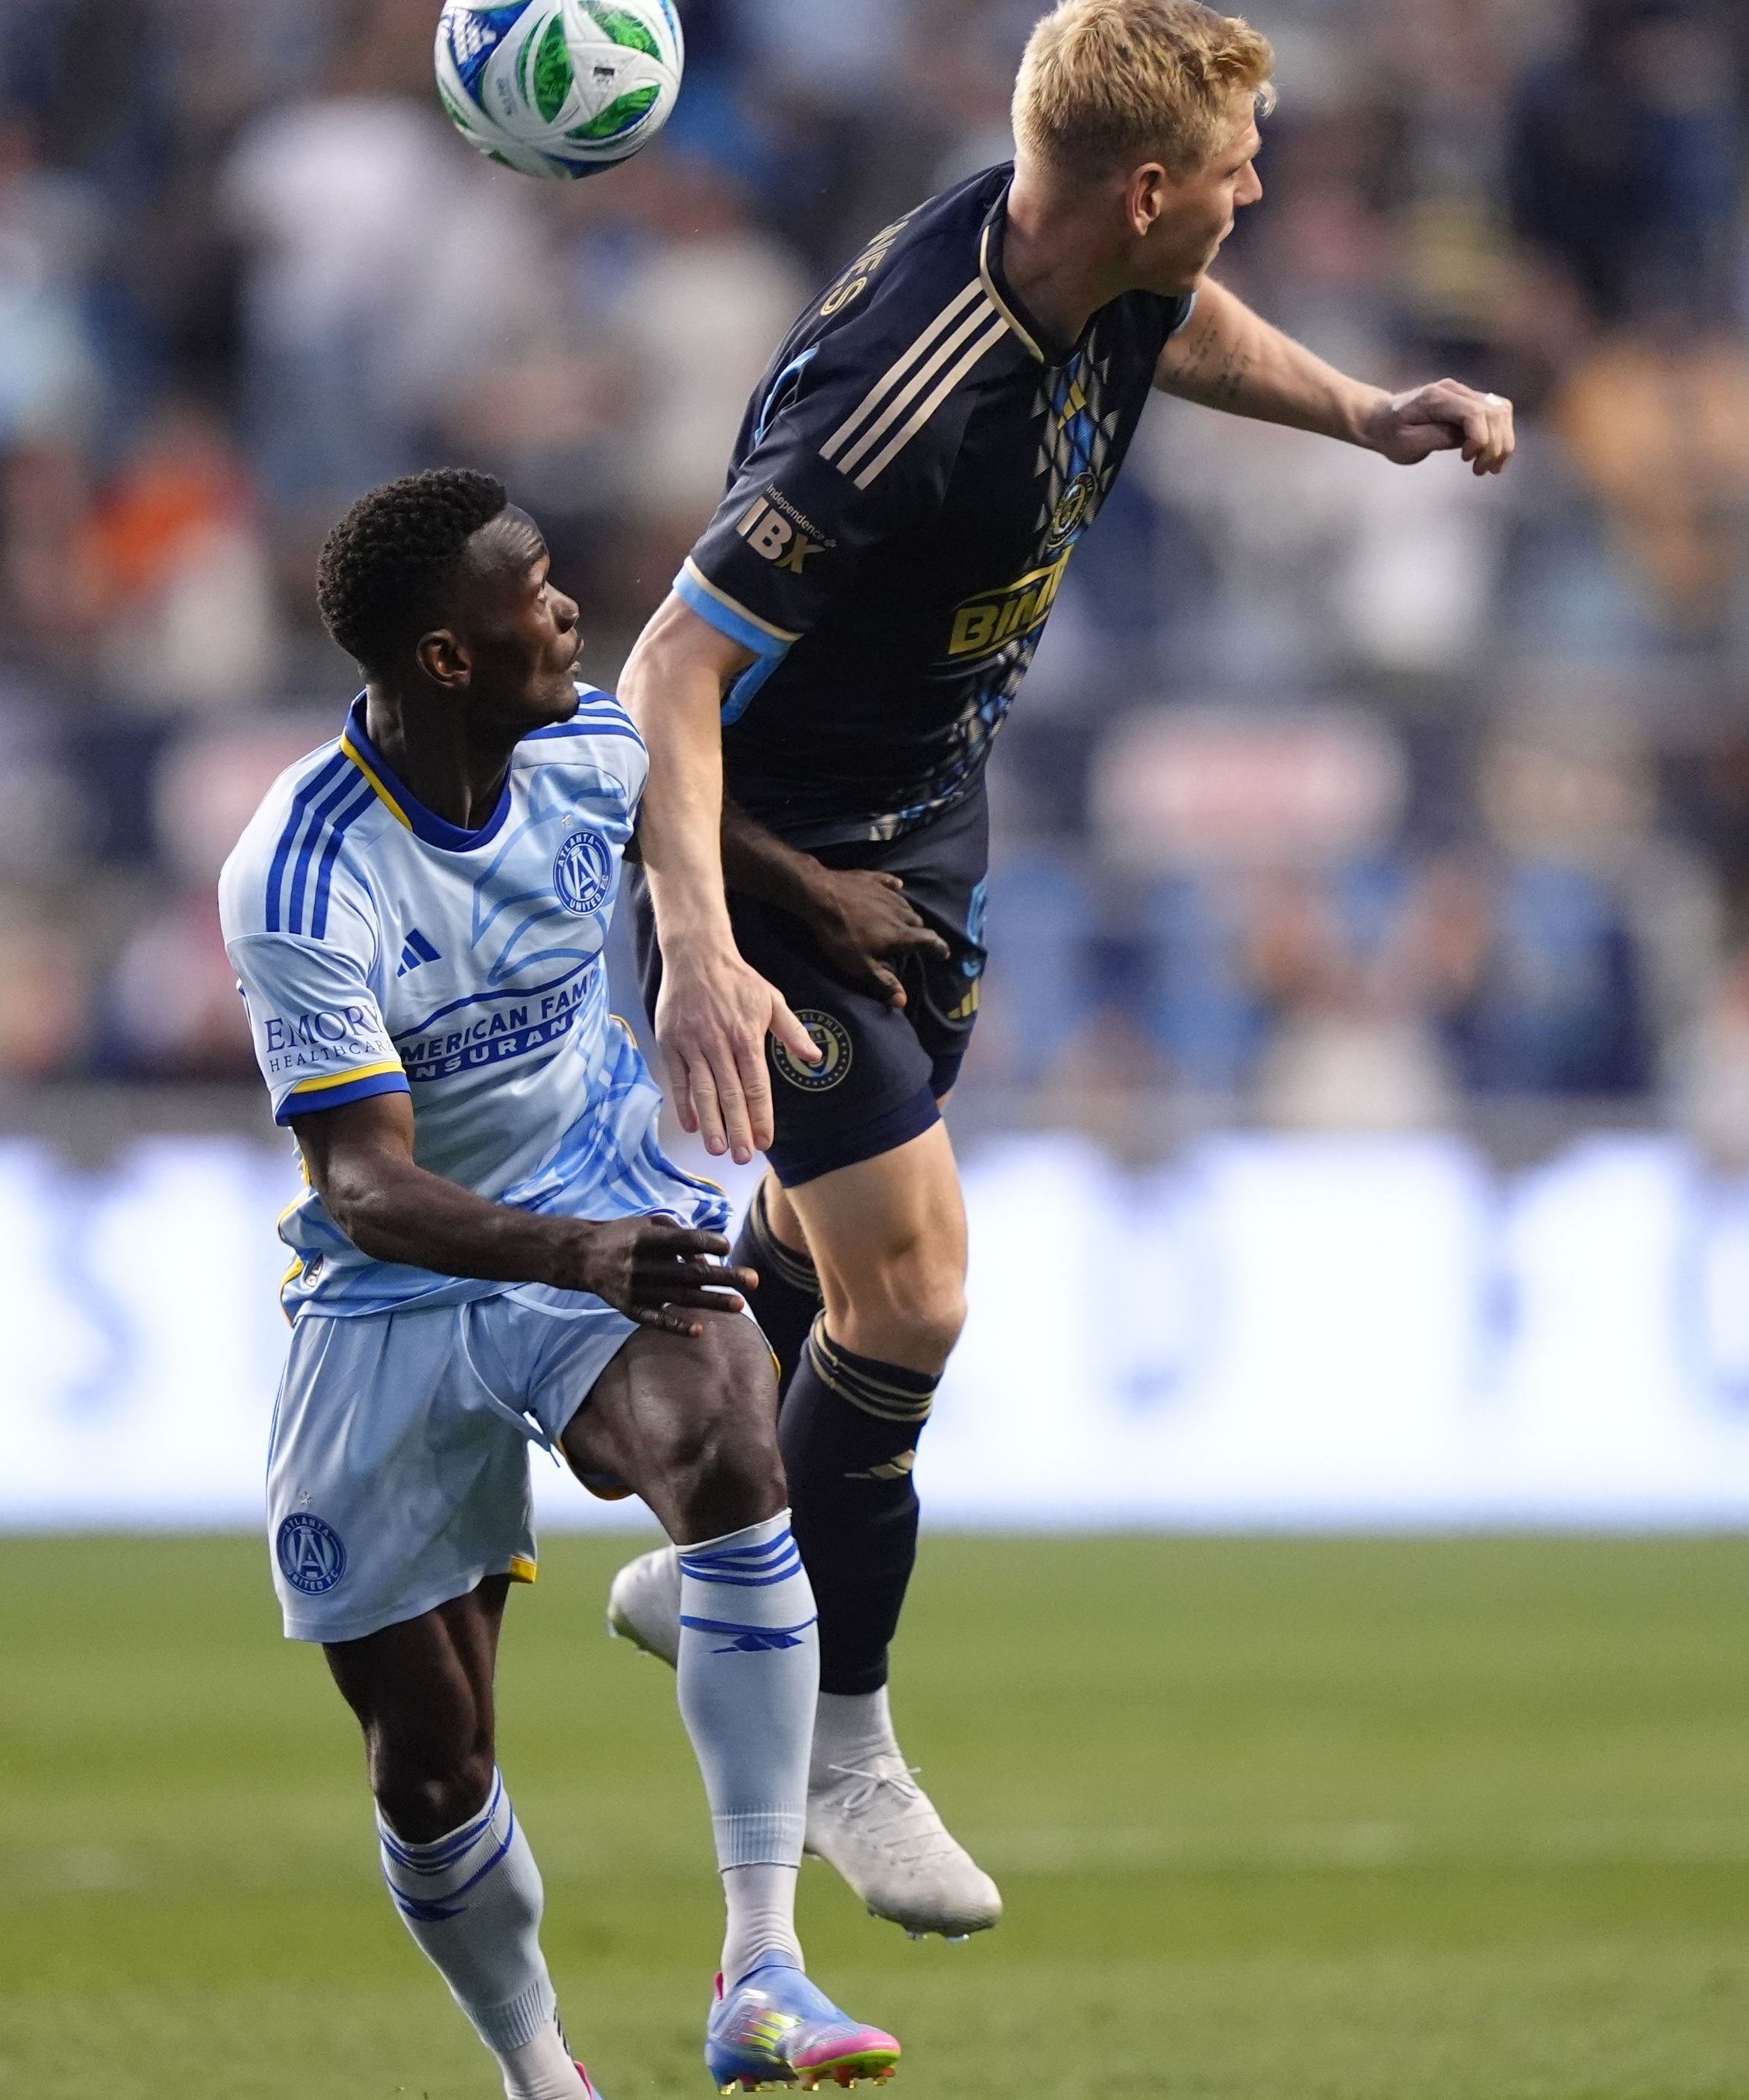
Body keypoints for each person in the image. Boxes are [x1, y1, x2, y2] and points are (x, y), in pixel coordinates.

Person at [614, 0, 1518, 1939]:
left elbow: (1163, 326)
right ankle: (839, 1732)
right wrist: (701, 942)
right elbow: (664, 676)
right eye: (1232, 167)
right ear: (1139, 187)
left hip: (923, 820)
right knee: (916, 1293)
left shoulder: (1091, 260)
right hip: (767, 856)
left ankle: (718, 1551)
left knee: (825, 1247)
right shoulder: (893, 398)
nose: (1256, 188)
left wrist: (1364, 413)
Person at [217, 469, 898, 2098]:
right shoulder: (304, 874)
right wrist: (576, 1256)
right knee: (431, 1758)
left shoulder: (578, 739)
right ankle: (543, 2074)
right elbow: (368, 1185)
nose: (569, 608)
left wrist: (798, 903)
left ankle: (763, 1967)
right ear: (449, 657)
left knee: (733, 1449)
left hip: (594, 1179)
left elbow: (662, 804)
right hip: (398, 1274)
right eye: (531, 593)